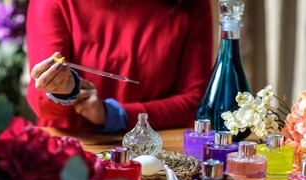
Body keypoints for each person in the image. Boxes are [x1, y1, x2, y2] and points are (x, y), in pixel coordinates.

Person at [26, 0, 213, 133]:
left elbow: (195, 102)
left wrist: (114, 115)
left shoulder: (192, 4)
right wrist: (62, 91)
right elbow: (42, 101)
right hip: (74, 158)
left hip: (157, 159)